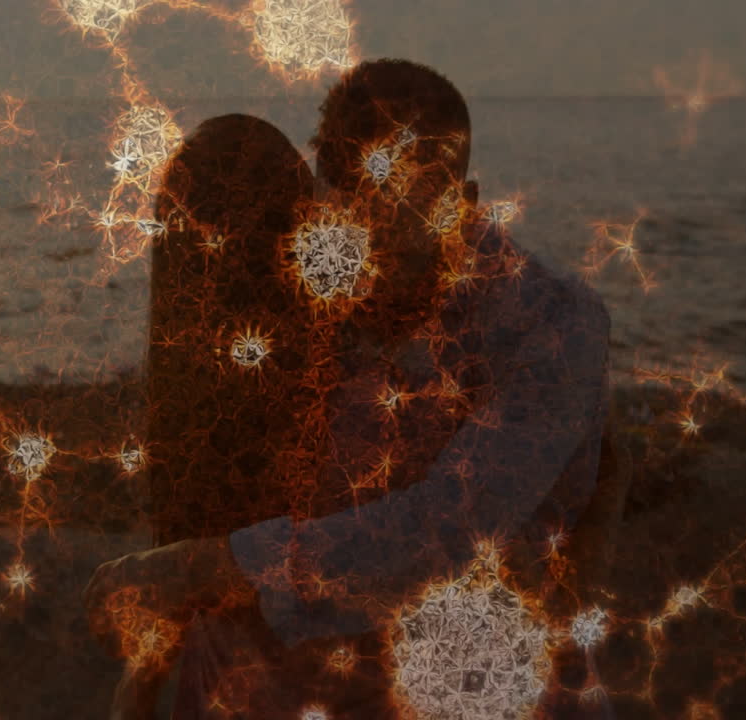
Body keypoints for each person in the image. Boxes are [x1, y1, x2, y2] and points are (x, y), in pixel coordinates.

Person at [85, 59, 612, 719]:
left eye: (398, 236)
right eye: (354, 230)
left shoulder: (551, 322)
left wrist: (204, 568)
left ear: (463, 204)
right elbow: (229, 472)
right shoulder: (307, 270)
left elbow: (448, 529)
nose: (369, 272)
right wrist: (156, 652)